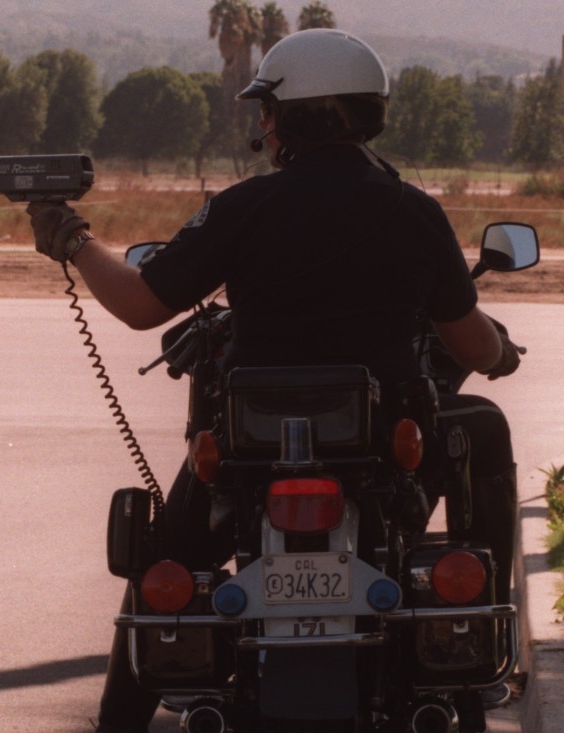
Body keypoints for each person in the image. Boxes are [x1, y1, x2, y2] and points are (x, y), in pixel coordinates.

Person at [27, 28, 522, 732]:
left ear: (290, 117)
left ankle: (120, 722)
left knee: (162, 572)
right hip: (385, 452)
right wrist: (500, 352)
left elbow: (140, 303)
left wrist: (71, 238)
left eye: (268, 109)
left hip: (248, 454)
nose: (263, 122)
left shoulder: (245, 206)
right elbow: (469, 338)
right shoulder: (414, 212)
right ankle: (478, 641)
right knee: (486, 427)